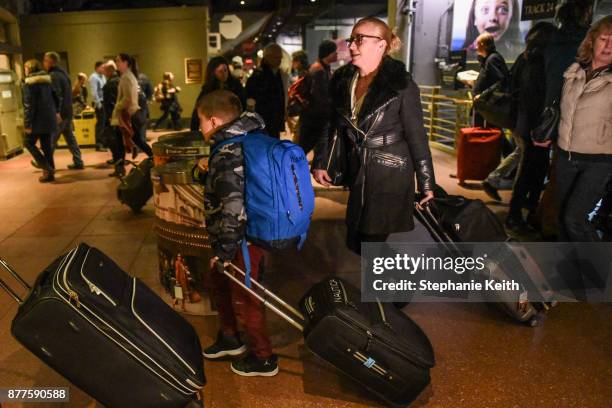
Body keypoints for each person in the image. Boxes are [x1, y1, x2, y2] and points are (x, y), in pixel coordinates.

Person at [312, 17, 435, 254]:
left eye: (359, 40)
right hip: (358, 169)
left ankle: (387, 287)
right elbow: (331, 124)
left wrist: (427, 183)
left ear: (381, 44)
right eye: (351, 39)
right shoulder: (343, 80)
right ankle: (388, 284)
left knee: (373, 241)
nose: (351, 46)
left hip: (391, 171)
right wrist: (321, 161)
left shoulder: (401, 84)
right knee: (358, 241)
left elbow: (417, 136)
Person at [193, 90, 278, 377]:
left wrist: (225, 252)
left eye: (201, 121)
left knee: (247, 295)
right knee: (215, 280)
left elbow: (233, 208)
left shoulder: (229, 153)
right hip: (237, 238)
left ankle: (264, 357)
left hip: (242, 240)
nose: (200, 127)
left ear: (215, 121)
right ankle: (230, 337)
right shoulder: (236, 142)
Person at [553, 16, 612, 242]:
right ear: (592, 42)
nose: (608, 46)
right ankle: (566, 270)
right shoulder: (573, 72)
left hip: (599, 160)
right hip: (566, 155)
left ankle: (597, 272)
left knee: (574, 219)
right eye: (603, 39)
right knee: (560, 217)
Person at [505, 22, 557, 231]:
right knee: (533, 170)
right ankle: (520, 214)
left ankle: (522, 212)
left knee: (529, 168)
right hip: (539, 127)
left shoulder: (523, 58)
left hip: (523, 123)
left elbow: (512, 86)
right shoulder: (547, 61)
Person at [464, 32, 512, 200]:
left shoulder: (493, 59)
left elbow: (501, 81)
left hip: (490, 107)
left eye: (478, 44)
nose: (476, 47)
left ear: (483, 45)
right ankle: (489, 170)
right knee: (494, 136)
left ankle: (503, 171)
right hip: (485, 107)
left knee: (495, 136)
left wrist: (482, 94)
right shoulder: (488, 60)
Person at [44, 51, 84, 170]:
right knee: (70, 137)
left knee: (51, 139)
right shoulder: (64, 74)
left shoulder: (54, 76)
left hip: (60, 113)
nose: (44, 63)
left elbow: (57, 96)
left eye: (45, 60)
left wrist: (57, 112)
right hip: (68, 111)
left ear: (51, 62)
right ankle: (78, 161)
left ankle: (45, 163)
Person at [22, 59, 59, 183]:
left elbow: (29, 105)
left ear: (30, 69)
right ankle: (49, 174)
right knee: (46, 146)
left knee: (28, 143)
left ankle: (46, 167)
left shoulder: (29, 84)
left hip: (37, 120)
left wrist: (27, 124)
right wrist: (57, 112)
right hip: (49, 118)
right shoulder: (48, 81)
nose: (24, 70)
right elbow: (57, 97)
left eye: (25, 68)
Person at [111, 53, 153, 160]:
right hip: (132, 114)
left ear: (125, 63)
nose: (116, 63)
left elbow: (127, 99)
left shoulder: (126, 77)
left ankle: (153, 157)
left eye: (118, 61)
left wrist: (117, 107)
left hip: (130, 114)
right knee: (137, 140)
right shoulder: (128, 76)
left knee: (133, 141)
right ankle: (152, 156)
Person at [298, 40, 337, 155]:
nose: (337, 54)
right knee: (304, 148)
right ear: (328, 53)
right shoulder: (319, 70)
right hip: (314, 118)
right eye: (335, 52)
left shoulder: (324, 68)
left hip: (316, 117)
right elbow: (320, 97)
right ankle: (289, 171)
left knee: (318, 150)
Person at [190, 57, 245, 132]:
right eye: (220, 71)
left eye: (225, 70)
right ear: (213, 73)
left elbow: (243, 103)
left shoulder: (235, 85)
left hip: (234, 124)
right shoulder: (209, 88)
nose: (224, 74)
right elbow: (199, 107)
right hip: (216, 125)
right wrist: (194, 129)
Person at [245, 44, 285, 139]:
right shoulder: (259, 75)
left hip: (273, 122)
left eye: (280, 58)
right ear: (267, 57)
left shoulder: (277, 73)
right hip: (263, 122)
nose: (279, 60)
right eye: (276, 57)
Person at [102, 60, 125, 176]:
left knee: (114, 143)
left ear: (110, 70)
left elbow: (111, 103)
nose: (103, 72)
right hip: (120, 116)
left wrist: (111, 118)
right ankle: (120, 167)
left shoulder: (110, 84)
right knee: (119, 143)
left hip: (113, 118)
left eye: (105, 70)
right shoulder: (120, 80)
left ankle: (119, 169)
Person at [89, 61, 107, 151]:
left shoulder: (103, 76)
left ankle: (104, 142)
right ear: (97, 68)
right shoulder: (93, 77)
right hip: (99, 102)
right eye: (102, 67)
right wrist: (98, 104)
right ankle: (98, 144)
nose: (104, 69)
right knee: (100, 123)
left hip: (104, 102)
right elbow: (94, 92)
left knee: (104, 123)